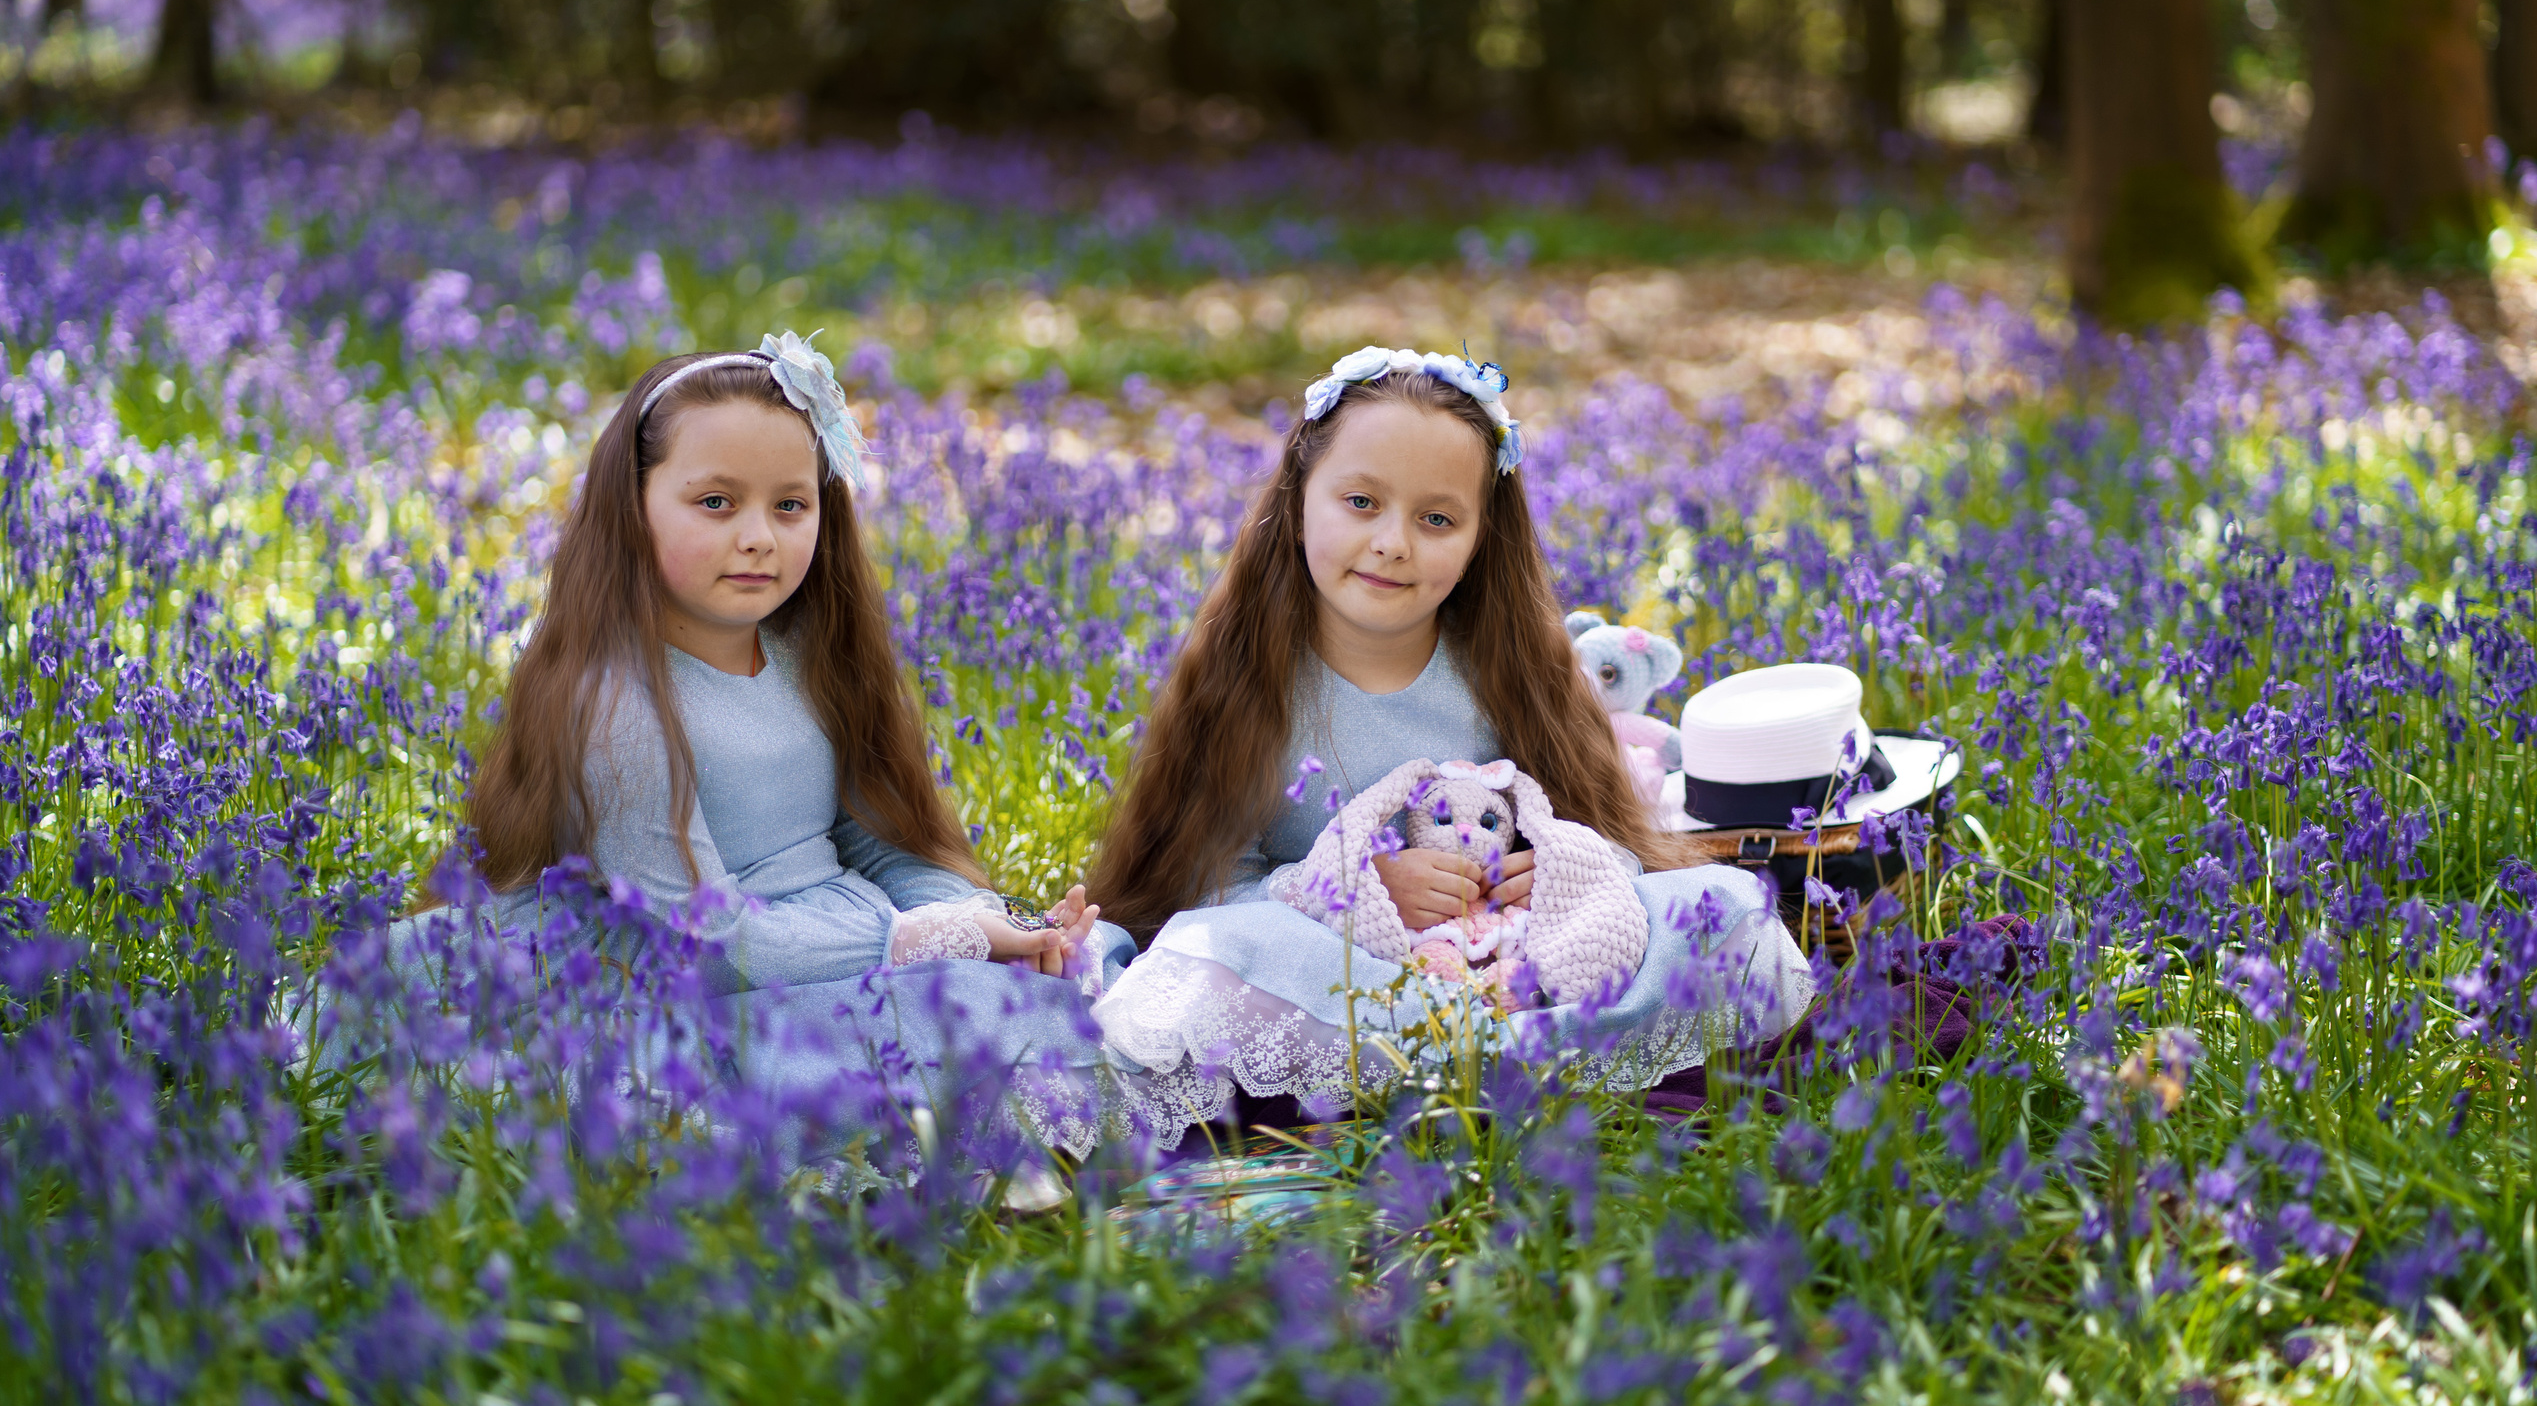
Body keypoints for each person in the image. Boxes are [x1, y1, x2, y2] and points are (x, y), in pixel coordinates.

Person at [397, 333, 1115, 1164]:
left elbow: (878, 836)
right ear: (632, 507)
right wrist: (919, 940)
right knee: (968, 1042)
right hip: (681, 980)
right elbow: (711, 940)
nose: (759, 538)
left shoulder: (810, 652)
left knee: (1068, 994)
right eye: (715, 503)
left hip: (830, 939)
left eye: (789, 505)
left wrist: (980, 918)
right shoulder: (614, 703)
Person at [1082, 348, 1812, 1143]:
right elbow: (1208, 894)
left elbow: (1613, 846)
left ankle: (1502, 1067)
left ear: (1478, 537)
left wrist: (1560, 872)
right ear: (1299, 499)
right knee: (1202, 955)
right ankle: (1495, 1079)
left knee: (1726, 910)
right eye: (1361, 501)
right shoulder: (1246, 680)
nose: (1394, 542)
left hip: (1525, 968)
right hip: (1342, 983)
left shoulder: (1516, 664)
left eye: (1437, 519)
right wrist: (1359, 888)